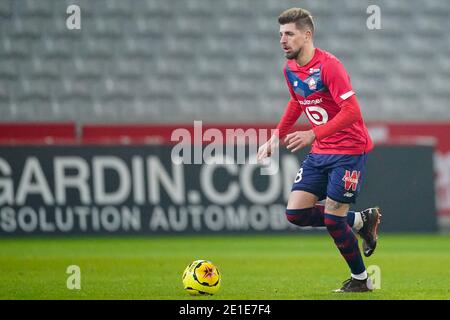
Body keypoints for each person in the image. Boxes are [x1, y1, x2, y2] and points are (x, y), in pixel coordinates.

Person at [257, 7, 381, 293]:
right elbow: (295, 102)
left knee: (333, 220)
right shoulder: (290, 69)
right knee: (296, 214)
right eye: (280, 35)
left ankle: (362, 280)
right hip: (321, 152)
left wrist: (313, 134)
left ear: (307, 35)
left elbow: (352, 112)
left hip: (349, 150)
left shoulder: (329, 66)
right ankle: (362, 220)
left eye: (289, 34)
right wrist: (276, 137)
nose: (282, 40)